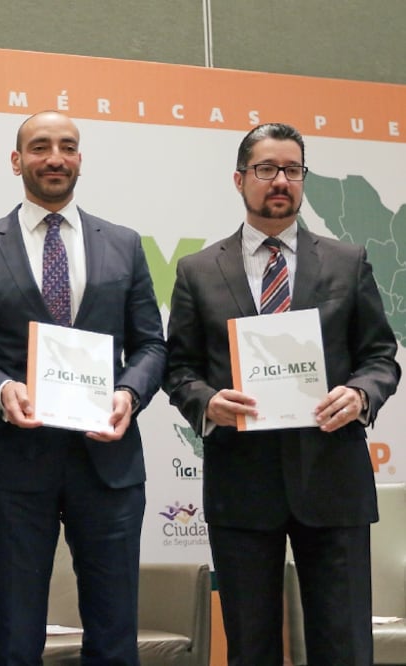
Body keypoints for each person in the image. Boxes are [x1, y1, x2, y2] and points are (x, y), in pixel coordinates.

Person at [163, 122, 401, 665]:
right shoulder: (199, 271)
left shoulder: (348, 260)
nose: (280, 181)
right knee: (251, 647)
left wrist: (362, 395)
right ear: (239, 179)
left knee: (343, 646)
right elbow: (178, 368)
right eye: (266, 169)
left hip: (333, 481)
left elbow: (380, 356)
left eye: (292, 170)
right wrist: (206, 402)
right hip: (242, 485)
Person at [0, 110, 167, 665]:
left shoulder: (124, 243)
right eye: (40, 146)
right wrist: (1, 390)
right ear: (17, 160)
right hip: (18, 463)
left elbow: (151, 346)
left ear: (80, 160)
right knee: (17, 637)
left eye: (67, 146)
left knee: (115, 635)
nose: (55, 157)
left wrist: (130, 394)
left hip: (109, 464)